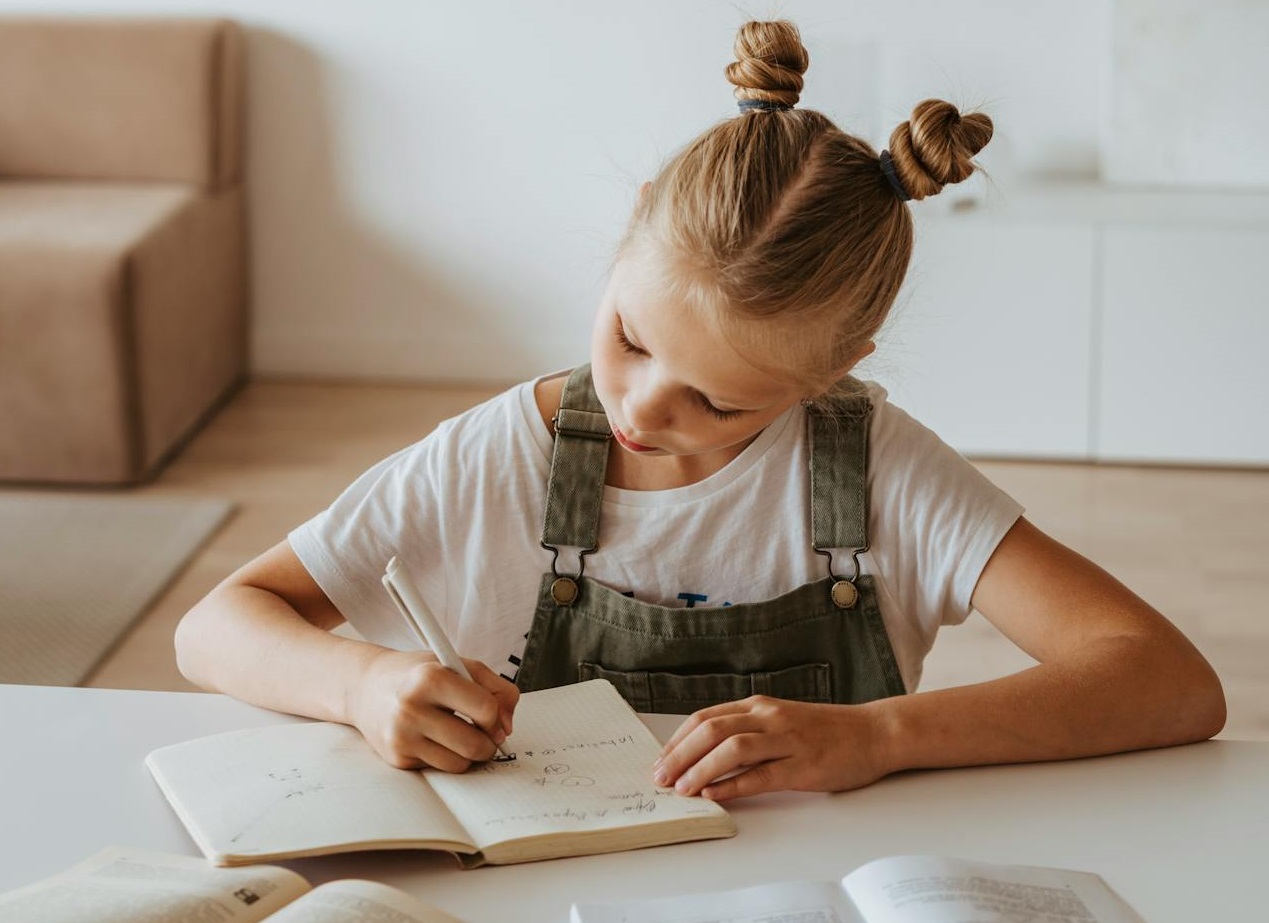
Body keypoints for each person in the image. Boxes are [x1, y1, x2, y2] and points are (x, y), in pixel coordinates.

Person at [175, 19, 1225, 803]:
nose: (639, 402)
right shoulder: (501, 455)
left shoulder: (880, 473)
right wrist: (362, 684)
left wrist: (882, 736)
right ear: (634, 226)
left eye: (719, 400)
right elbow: (216, 625)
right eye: (630, 338)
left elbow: (1169, 681)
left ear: (835, 367)